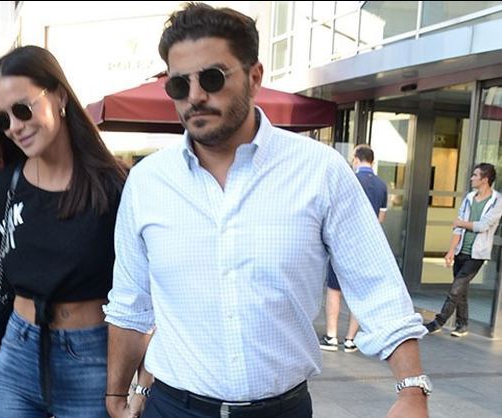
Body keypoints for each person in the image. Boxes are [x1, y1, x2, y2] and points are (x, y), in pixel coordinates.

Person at [104, 4, 430, 418]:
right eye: (179, 85)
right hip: (174, 407)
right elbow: (131, 303)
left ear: (254, 77)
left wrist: (411, 389)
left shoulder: (320, 171)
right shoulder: (148, 182)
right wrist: (117, 394)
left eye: (212, 78)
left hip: (282, 409)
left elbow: (376, 283)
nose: (196, 96)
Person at [0, 45, 130, 418]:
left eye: (23, 110)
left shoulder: (114, 187)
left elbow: (140, 294)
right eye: (3, 120)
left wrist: (134, 383)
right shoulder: (8, 186)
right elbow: (2, 288)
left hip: (91, 356)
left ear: (59, 96)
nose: (15, 127)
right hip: (18, 349)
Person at [320, 144, 388, 353]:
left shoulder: (349, 180)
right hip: (366, 246)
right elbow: (380, 218)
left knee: (334, 290)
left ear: (356, 159)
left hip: (343, 243)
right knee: (359, 292)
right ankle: (351, 339)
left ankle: (331, 336)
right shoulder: (381, 185)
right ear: (372, 161)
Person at [424, 163, 502, 338]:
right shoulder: (469, 198)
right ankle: (462, 325)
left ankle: (438, 322)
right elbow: (457, 227)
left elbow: (483, 226)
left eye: (475, 175)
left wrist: (461, 223)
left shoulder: (497, 201)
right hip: (461, 251)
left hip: (477, 255)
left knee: (455, 289)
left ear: (485, 179)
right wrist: (451, 250)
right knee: (461, 290)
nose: (472, 178)